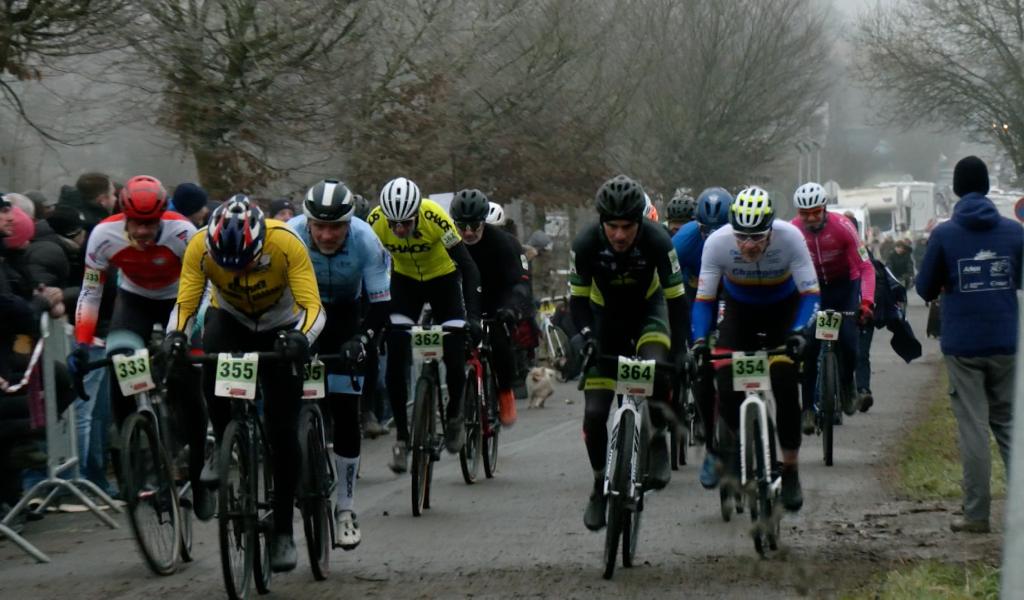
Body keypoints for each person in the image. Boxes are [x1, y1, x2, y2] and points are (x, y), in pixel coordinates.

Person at [166, 194, 324, 570]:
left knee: (281, 429)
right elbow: (186, 303)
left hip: (281, 325)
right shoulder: (199, 246)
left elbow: (313, 307)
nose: (237, 272)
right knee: (209, 365)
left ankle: (283, 529)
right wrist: (176, 335)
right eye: (228, 266)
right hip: (232, 320)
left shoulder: (285, 241)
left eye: (247, 263)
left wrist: (302, 338)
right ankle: (223, 441)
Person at [66, 176, 201, 506]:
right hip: (135, 301)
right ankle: (133, 460)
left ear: (162, 216)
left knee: (188, 375)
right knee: (122, 365)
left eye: (150, 224)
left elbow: (205, 285)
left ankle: (197, 463)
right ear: (122, 215)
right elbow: (90, 291)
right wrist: (83, 343)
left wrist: (180, 332)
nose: (142, 232)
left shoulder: (183, 231)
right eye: (136, 224)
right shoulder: (103, 235)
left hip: (180, 299)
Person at [569, 174, 687, 531]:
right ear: (601, 223)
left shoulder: (657, 240)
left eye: (627, 227)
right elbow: (576, 302)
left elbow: (677, 301)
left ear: (640, 223)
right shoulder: (587, 243)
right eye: (612, 227)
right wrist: (585, 337)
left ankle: (657, 437)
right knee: (593, 414)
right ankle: (598, 484)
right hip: (605, 321)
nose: (619, 235)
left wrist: (679, 350)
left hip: (648, 314)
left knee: (657, 367)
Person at [692, 186, 819, 512]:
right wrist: (698, 340)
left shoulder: (790, 238)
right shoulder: (718, 243)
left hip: (784, 312)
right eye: (742, 237)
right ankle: (734, 450)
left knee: (784, 380)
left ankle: (790, 468)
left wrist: (798, 332)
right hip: (740, 313)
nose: (748, 245)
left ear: (771, 230)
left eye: (757, 238)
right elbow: (704, 301)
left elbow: (810, 294)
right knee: (724, 381)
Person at [916, 155, 1022, 534]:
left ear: (957, 189)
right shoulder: (1014, 232)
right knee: (1009, 424)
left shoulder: (944, 235)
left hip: (963, 345)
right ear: (989, 186)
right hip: (1007, 341)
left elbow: (925, 287)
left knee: (974, 428)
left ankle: (977, 514)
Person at [288, 178, 391, 550]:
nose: (328, 235)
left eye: (336, 227)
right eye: (320, 226)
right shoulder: (290, 237)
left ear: (350, 224)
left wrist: (361, 339)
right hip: (301, 310)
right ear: (307, 222)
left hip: (348, 313)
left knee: (347, 411)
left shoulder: (365, 240)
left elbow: (381, 305)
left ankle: (346, 508)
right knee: (284, 402)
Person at [365, 177, 481, 473]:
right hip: (405, 285)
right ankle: (402, 439)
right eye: (395, 224)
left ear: (417, 213)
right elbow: (367, 271)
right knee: (396, 352)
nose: (400, 229)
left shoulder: (435, 218)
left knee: (455, 355)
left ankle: (454, 415)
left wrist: (473, 317)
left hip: (443, 282)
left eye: (405, 222)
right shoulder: (375, 222)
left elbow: (468, 267)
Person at [791, 182, 874, 432]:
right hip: (813, 290)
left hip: (843, 288)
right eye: (805, 213)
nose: (812, 218)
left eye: (816, 212)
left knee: (849, 342)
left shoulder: (843, 227)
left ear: (825, 208)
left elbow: (866, 267)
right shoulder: (793, 230)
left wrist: (866, 302)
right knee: (809, 348)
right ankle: (807, 408)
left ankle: (848, 386)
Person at [449, 188, 534, 426]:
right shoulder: (449, 242)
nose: (467, 232)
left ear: (483, 222)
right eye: (461, 226)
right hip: (466, 298)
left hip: (497, 297)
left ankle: (505, 392)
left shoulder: (504, 243)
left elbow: (520, 282)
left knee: (498, 340)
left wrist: (512, 309)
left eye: (474, 226)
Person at [671, 186, 732, 488]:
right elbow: (665, 280)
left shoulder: (744, 238)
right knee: (703, 370)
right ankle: (710, 442)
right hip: (699, 298)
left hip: (734, 298)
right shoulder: (683, 240)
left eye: (720, 229)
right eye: (706, 230)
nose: (712, 236)